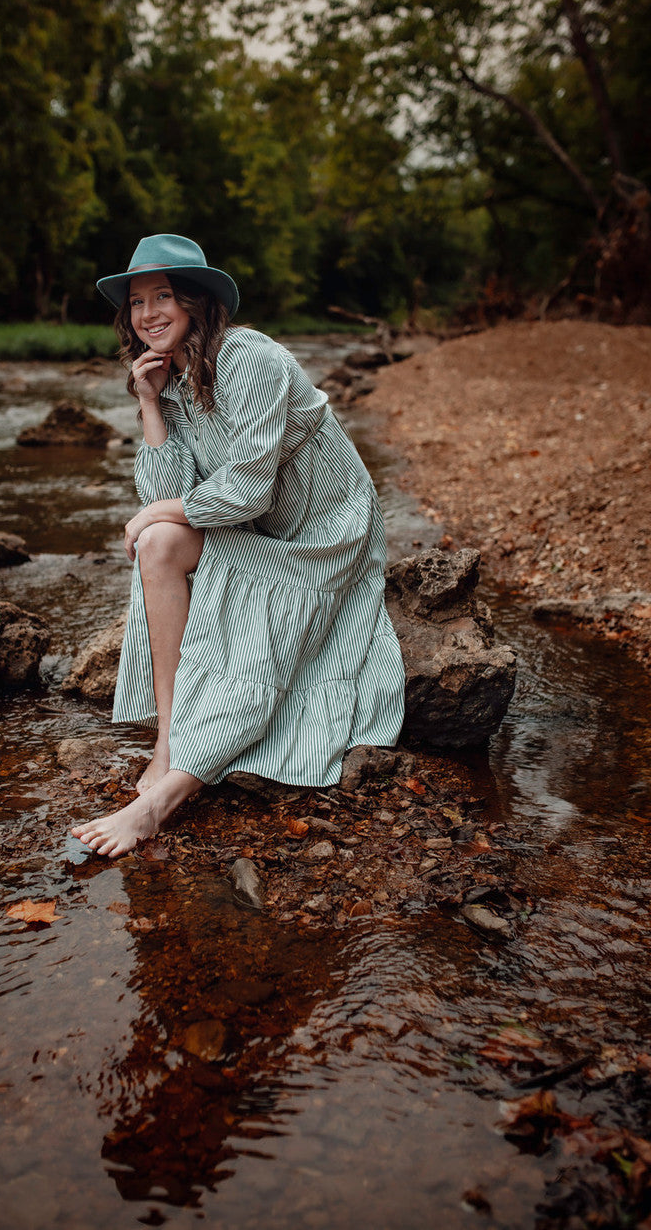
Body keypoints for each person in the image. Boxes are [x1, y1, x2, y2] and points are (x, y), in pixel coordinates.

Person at [71, 234, 405, 858]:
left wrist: (155, 511)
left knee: (257, 638)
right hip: (256, 533)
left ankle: (160, 803)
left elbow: (246, 490)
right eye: (137, 302)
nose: (148, 314)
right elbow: (170, 496)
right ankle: (169, 740)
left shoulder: (252, 358)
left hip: (326, 536)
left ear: (196, 301)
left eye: (163, 296)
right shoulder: (167, 378)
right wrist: (148, 405)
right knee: (159, 546)